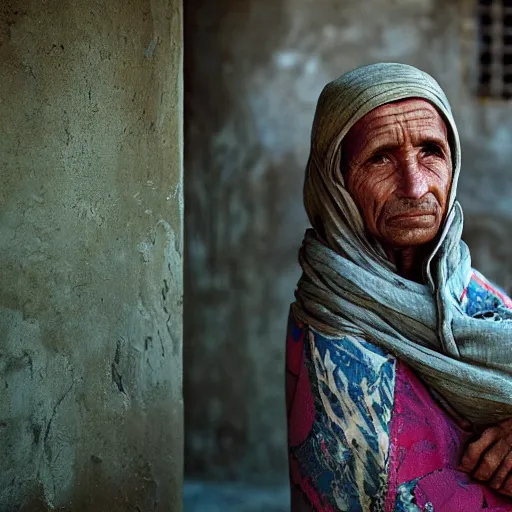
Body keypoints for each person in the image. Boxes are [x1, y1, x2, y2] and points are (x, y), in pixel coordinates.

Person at [286, 63, 512, 512]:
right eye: (381, 157)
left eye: (431, 151)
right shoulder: (333, 324)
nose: (415, 185)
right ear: (337, 181)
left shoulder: (477, 296)